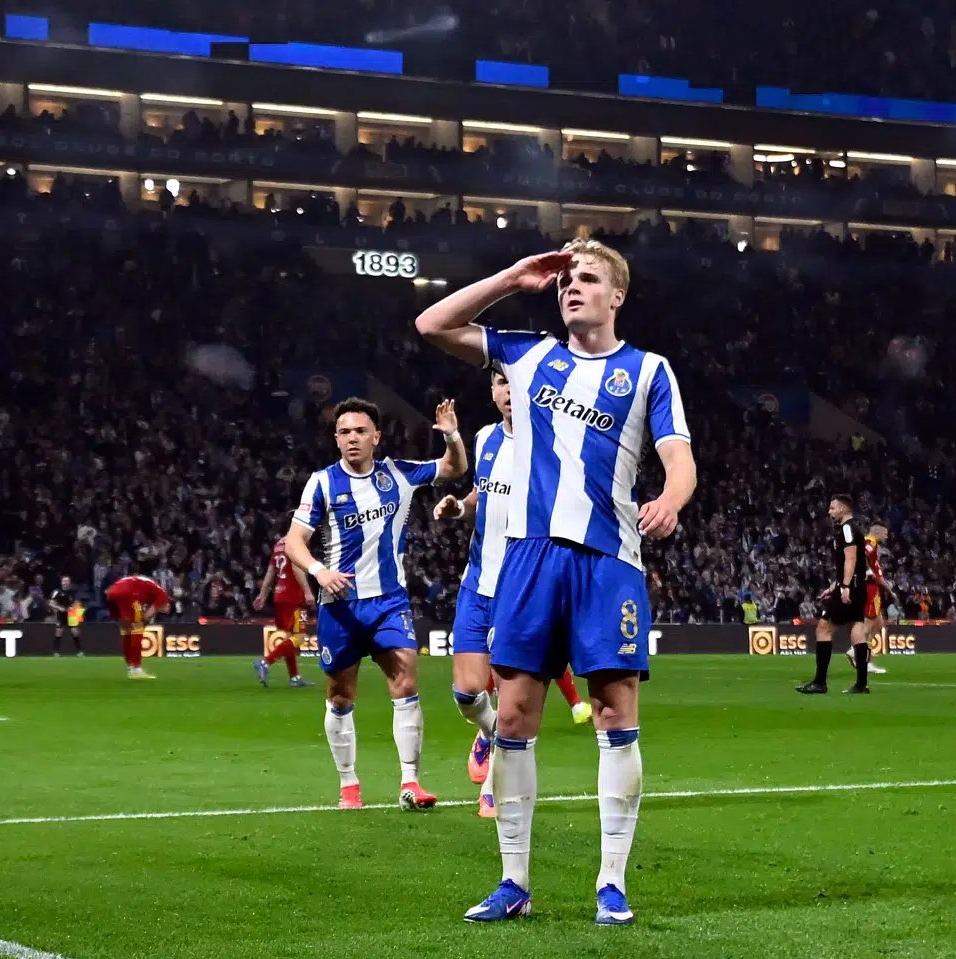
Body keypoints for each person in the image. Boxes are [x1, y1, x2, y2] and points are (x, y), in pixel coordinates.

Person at [416, 241, 696, 925]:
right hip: (529, 558)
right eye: (567, 280)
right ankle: (514, 881)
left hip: (608, 561)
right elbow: (433, 324)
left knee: (614, 717)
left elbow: (679, 459)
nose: (573, 288)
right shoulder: (528, 353)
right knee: (512, 716)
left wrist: (672, 500)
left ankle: (611, 882)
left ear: (617, 296)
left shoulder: (649, 371)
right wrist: (513, 276)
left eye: (589, 279)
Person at [283, 396, 467, 811]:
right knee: (340, 697)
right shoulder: (323, 482)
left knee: (405, 683)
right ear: (336, 438)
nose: (352, 438)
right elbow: (293, 541)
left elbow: (455, 467)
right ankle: (349, 785)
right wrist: (318, 570)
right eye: (344, 432)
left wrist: (452, 434)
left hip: (389, 601)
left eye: (360, 431)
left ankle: (410, 782)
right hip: (340, 605)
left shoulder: (398, 474)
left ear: (376, 437)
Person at [432, 369, 591, 820]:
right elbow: (484, 494)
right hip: (478, 581)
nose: (508, 392)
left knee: (510, 694)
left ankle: (495, 785)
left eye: (515, 384)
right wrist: (460, 507)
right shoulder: (484, 439)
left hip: (524, 588)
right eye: (501, 383)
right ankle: (487, 736)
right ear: (493, 391)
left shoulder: (555, 444)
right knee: (466, 693)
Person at [799, 494, 871, 694]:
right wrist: (834, 586)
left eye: (832, 508)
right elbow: (855, 565)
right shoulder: (853, 529)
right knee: (856, 628)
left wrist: (844, 587)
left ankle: (820, 682)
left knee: (823, 628)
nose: (829, 512)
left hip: (850, 587)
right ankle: (861, 684)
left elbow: (851, 559)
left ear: (843, 509)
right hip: (858, 586)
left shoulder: (847, 529)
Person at [252, 518, 316, 689]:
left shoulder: (280, 544)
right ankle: (265, 662)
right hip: (293, 597)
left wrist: (263, 594)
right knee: (299, 637)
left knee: (289, 638)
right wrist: (308, 592)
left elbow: (271, 570)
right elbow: (296, 567)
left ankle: (294, 677)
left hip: (280, 596)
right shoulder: (297, 542)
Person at [843, 523, 891, 676]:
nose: (887, 536)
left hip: (871, 587)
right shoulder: (868, 544)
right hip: (869, 588)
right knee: (869, 623)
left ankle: (865, 659)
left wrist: (888, 589)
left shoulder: (872, 546)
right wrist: (866, 572)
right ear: (879, 532)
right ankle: (856, 652)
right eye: (885, 533)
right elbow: (858, 557)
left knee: (879, 623)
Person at [104, 573, 172, 679]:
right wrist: (143, 620)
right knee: (137, 629)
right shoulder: (162, 595)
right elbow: (148, 614)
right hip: (127, 594)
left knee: (127, 631)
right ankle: (136, 668)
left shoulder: (145, 586)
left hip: (111, 593)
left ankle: (130, 666)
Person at [50, 575, 84, 656]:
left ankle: (79, 651)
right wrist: (59, 608)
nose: (66, 583)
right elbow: (51, 603)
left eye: (67, 581)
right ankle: (56, 652)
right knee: (58, 632)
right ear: (61, 582)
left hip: (71, 614)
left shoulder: (73, 592)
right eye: (64, 581)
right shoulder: (57, 591)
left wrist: (73, 607)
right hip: (61, 614)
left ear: (70, 582)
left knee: (75, 631)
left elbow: (78, 602)